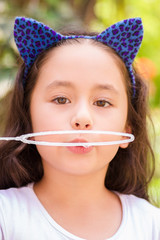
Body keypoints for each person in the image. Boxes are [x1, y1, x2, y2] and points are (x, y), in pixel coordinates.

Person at [0, 16, 159, 240]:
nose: (82, 118)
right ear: (29, 116)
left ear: (128, 128)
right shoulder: (5, 217)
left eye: (102, 102)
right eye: (61, 99)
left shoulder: (151, 226)